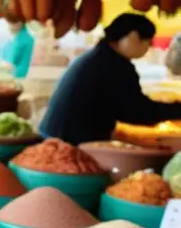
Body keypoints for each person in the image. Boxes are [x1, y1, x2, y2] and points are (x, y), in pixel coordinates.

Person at [40, 13, 181, 144]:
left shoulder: (98, 56)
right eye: (148, 42)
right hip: (69, 144)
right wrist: (176, 110)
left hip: (53, 135)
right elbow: (137, 111)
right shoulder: (114, 65)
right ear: (134, 37)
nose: (148, 48)